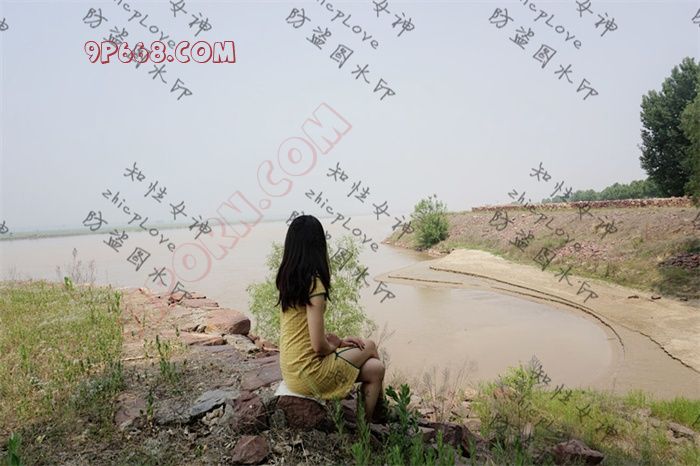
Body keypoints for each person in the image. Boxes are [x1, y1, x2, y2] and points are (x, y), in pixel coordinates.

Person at [276, 215, 386, 421]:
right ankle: (381, 412)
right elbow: (319, 347)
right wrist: (334, 346)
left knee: (375, 369)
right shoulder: (314, 284)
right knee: (370, 346)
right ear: (318, 246)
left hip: (292, 371)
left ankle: (365, 426)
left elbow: (304, 331)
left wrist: (340, 342)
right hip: (309, 374)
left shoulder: (287, 279)